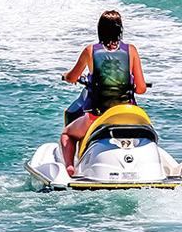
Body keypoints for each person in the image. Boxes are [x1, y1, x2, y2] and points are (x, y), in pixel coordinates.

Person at [60, 10, 146, 173]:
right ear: (120, 29)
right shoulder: (132, 51)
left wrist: (66, 76)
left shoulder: (90, 51)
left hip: (97, 117)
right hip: (127, 116)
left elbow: (72, 77)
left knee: (67, 134)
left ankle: (70, 167)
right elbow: (141, 89)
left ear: (99, 28)